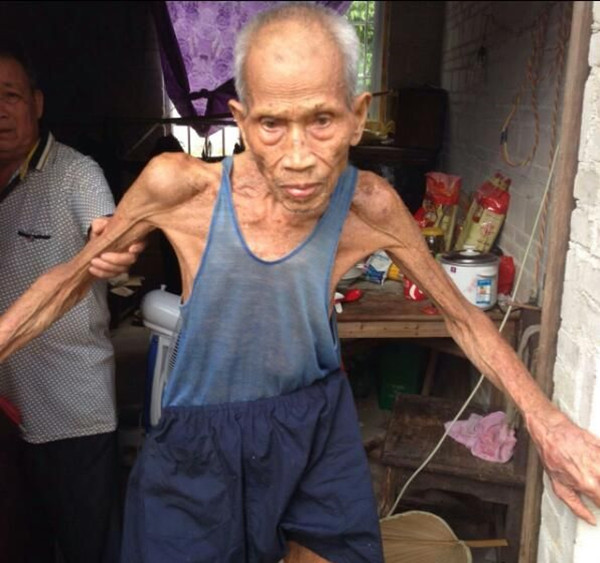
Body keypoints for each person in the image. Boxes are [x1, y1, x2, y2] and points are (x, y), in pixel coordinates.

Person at [1, 4, 600, 562]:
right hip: (200, 437)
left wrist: (550, 425)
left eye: (321, 120)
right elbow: (66, 281)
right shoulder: (179, 188)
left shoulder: (369, 205)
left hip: (314, 425)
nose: (297, 156)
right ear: (240, 119)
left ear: (358, 116)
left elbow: (463, 317)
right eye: (271, 124)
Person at [0, 40, 143, 563]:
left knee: (89, 547)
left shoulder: (75, 174)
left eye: (10, 95)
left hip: (71, 411)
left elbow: (108, 232)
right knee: (21, 542)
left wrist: (115, 244)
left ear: (36, 103)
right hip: (7, 411)